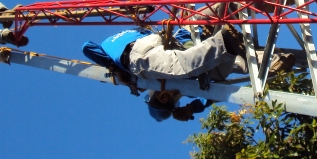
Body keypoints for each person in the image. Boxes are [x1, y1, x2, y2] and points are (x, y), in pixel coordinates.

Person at [82, 25, 295, 121]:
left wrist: (115, 69)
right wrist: (192, 108)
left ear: (156, 97)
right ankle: (270, 59)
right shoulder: (179, 89)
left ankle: (224, 41)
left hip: (136, 57)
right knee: (216, 75)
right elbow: (208, 93)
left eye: (165, 100)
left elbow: (86, 47)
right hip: (155, 41)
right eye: (171, 102)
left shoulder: (144, 83)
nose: (170, 97)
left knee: (181, 66)